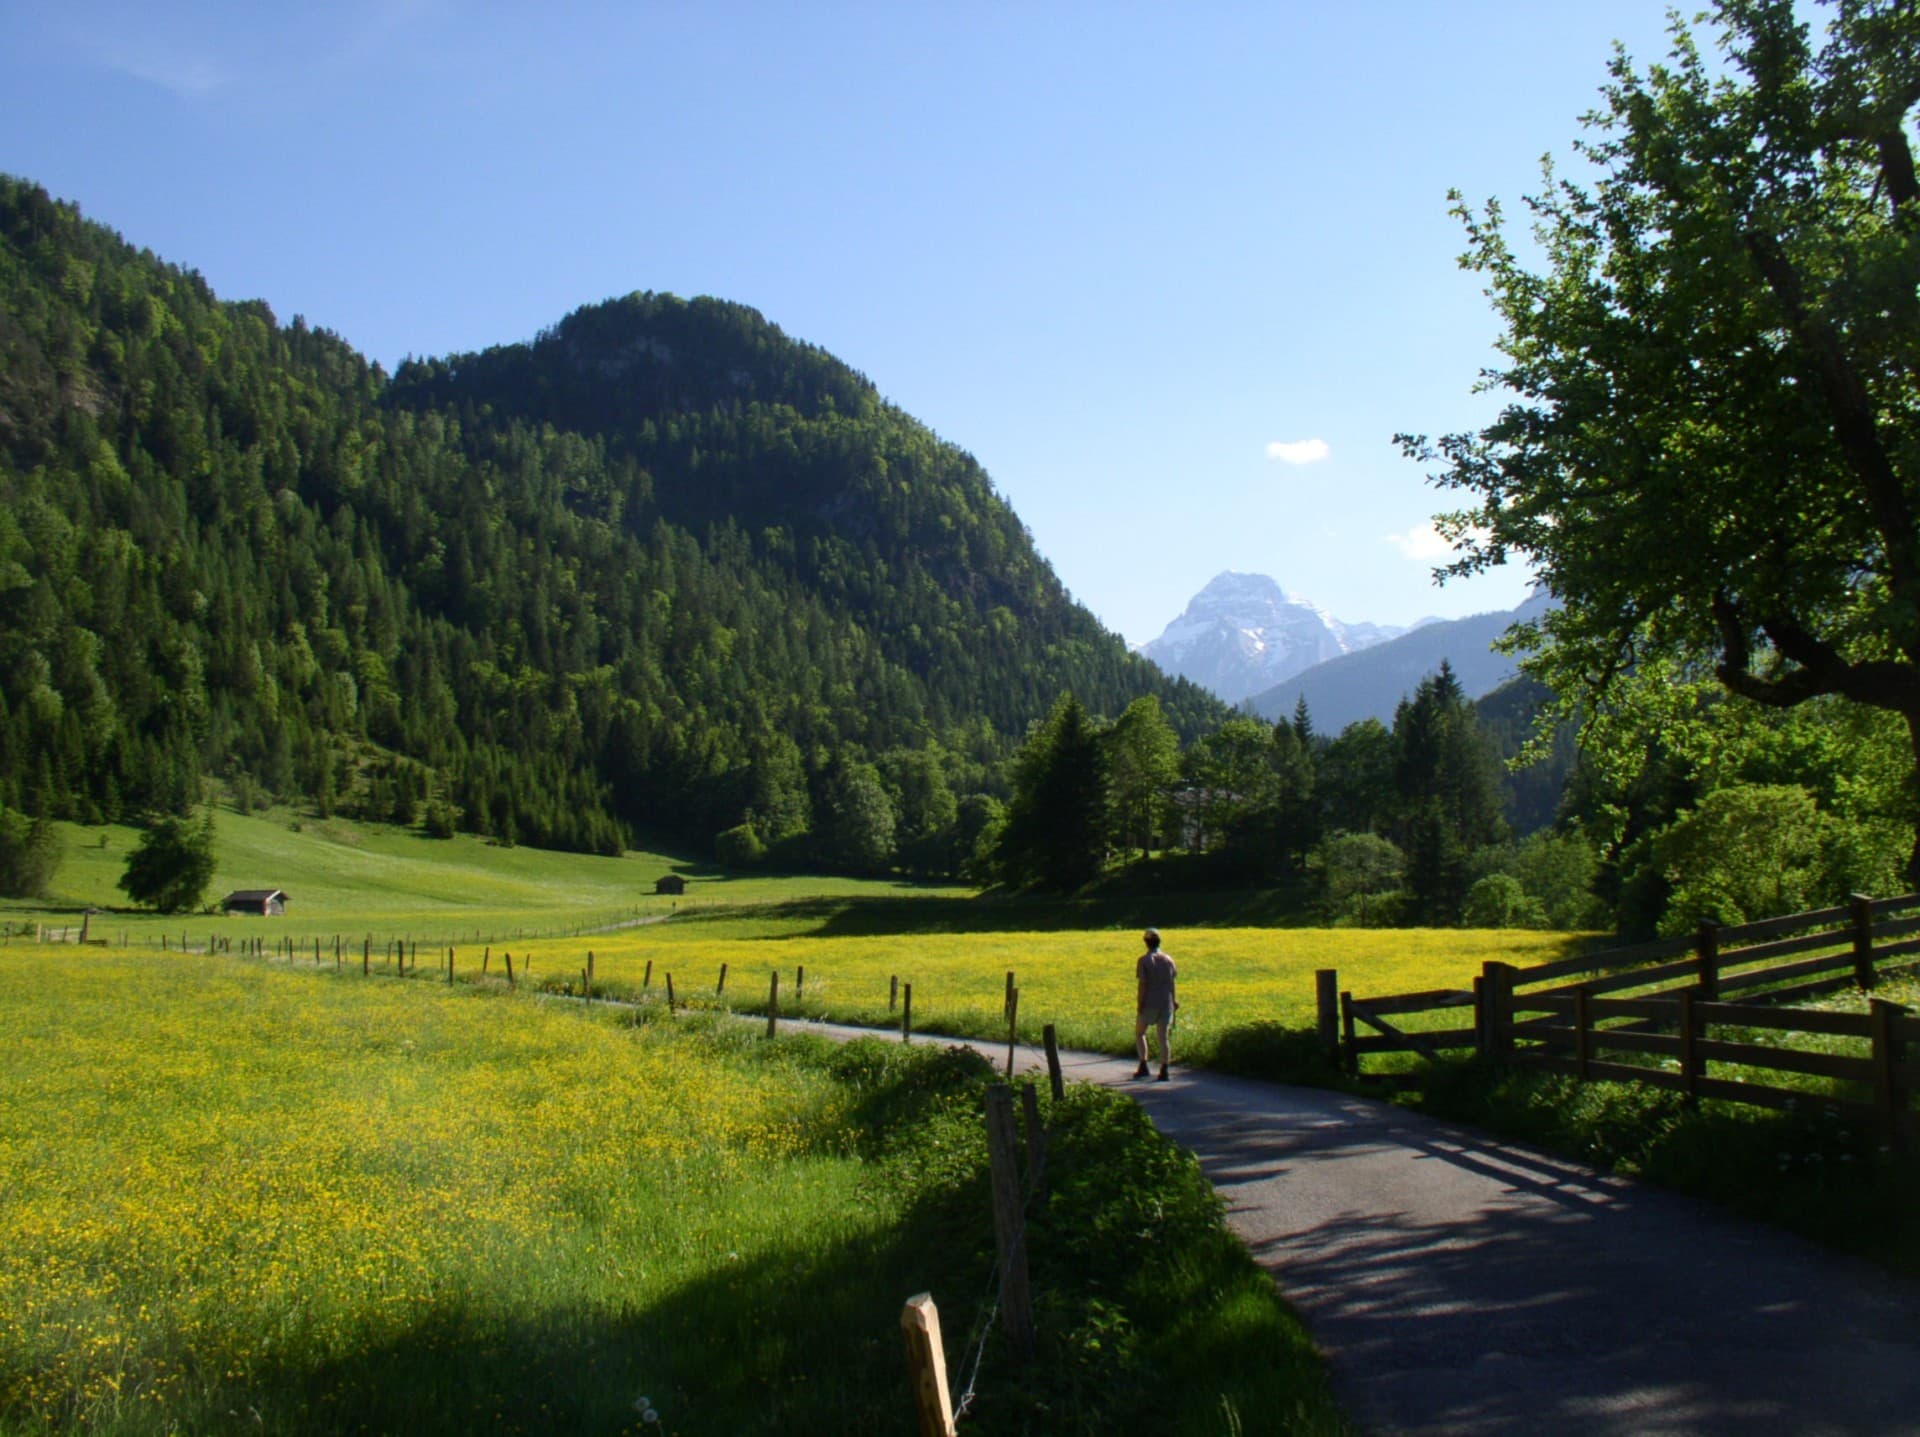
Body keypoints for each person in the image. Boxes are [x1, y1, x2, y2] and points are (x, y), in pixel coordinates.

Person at [1133, 928, 1178, 1081]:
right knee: (1163, 1037)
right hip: (1166, 1003)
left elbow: (1143, 984)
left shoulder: (1144, 961)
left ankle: (1143, 1064)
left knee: (1140, 1032)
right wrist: (1174, 1000)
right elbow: (1172, 983)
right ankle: (1164, 1070)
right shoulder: (1168, 959)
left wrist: (1140, 1003)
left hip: (1149, 1003)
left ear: (1146, 943)